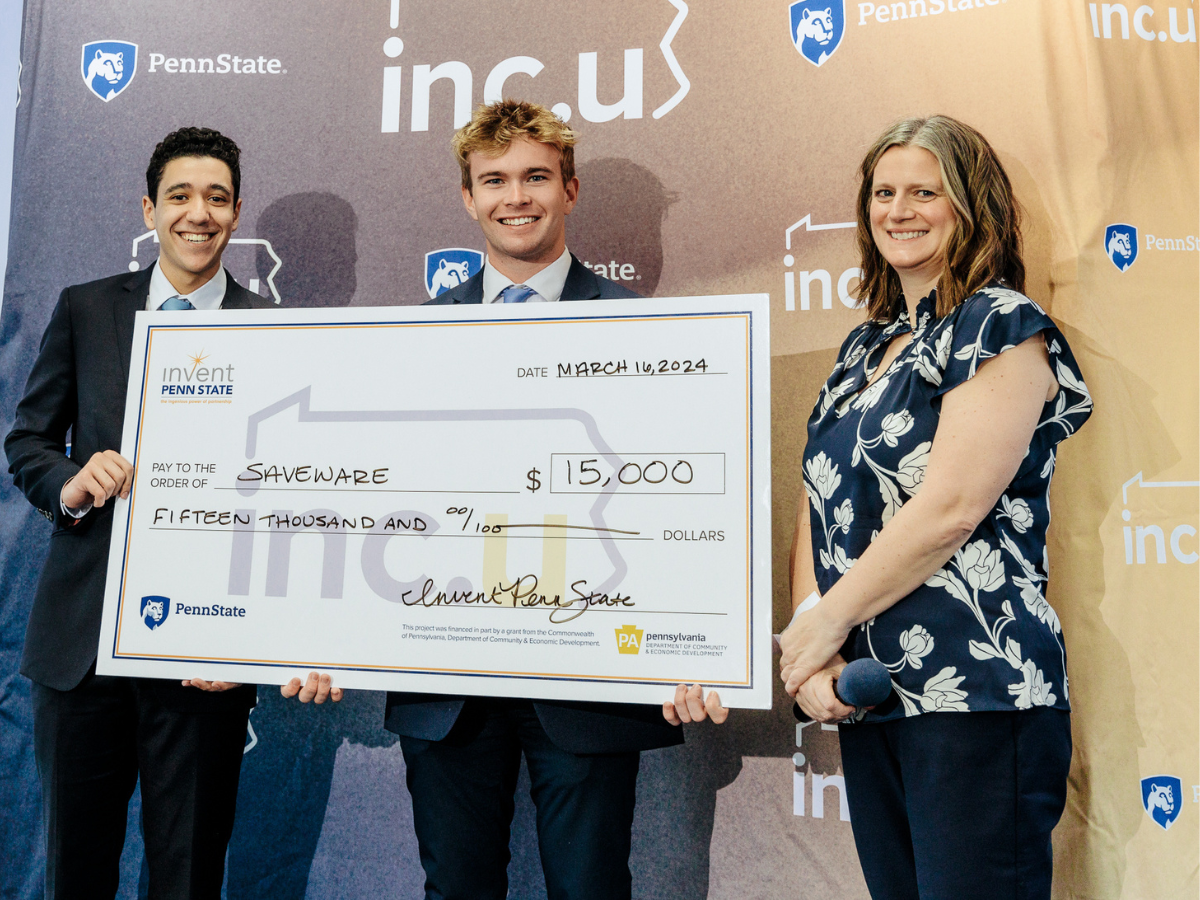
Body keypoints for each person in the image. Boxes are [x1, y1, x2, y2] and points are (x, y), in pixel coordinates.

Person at [778, 116, 1092, 900]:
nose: (900, 209)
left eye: (926, 191)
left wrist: (821, 622)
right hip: (874, 694)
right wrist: (812, 646)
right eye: (885, 193)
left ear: (970, 208)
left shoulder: (1002, 324)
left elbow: (952, 506)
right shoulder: (862, 349)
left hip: (976, 691)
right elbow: (817, 506)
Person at [5, 127, 274, 899]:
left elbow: (291, 494)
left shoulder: (274, 331)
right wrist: (70, 478)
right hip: (81, 646)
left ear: (236, 212)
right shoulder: (87, 308)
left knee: (187, 873)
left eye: (217, 198)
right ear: (150, 209)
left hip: (202, 656)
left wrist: (253, 640)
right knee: (76, 868)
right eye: (181, 196)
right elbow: (26, 438)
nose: (200, 214)